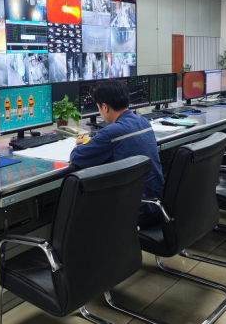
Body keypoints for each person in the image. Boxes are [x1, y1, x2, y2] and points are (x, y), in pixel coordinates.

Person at [70, 79, 165, 228]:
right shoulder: (144, 122)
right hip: (157, 204)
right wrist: (94, 141)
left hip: (136, 210)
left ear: (105, 107)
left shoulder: (110, 133)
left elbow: (77, 157)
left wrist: (85, 143)